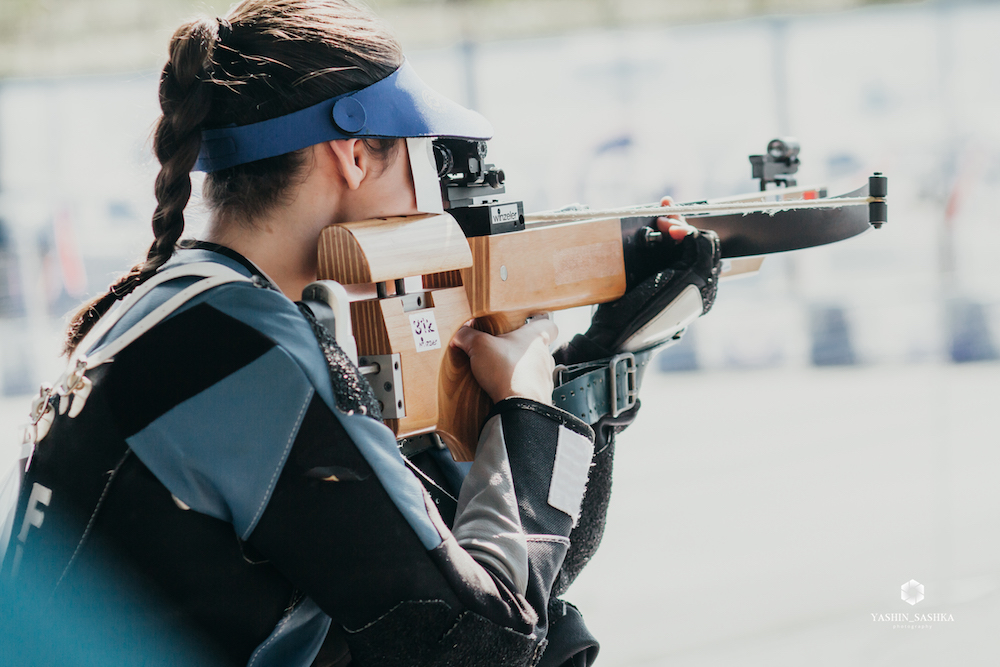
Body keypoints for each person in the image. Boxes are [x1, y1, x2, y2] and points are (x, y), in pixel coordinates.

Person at [1, 1, 720, 665]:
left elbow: (495, 573)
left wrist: (593, 368)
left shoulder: (184, 315)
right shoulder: (252, 350)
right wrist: (533, 406)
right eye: (421, 155)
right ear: (351, 153)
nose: (433, 193)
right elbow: (485, 641)